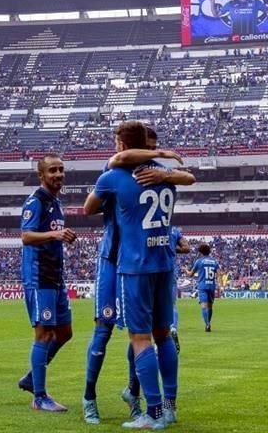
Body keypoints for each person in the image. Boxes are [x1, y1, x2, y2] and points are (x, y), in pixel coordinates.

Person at [82, 128, 194, 424]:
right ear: (145, 145)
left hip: (131, 265)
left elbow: (87, 208)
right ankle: (169, 408)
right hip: (162, 262)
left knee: (139, 338)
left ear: (120, 144)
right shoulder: (163, 174)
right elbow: (189, 177)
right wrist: (164, 164)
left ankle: (152, 411)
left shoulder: (113, 177)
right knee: (162, 335)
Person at [18, 154, 76, 412]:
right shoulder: (36, 201)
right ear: (42, 175)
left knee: (65, 333)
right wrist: (55, 234)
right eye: (53, 170)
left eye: (61, 170)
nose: (58, 174)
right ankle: (39, 397)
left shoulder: (56, 202)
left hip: (55, 275)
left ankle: (32, 376)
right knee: (43, 334)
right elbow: (26, 236)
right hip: (39, 275)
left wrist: (62, 236)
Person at [190, 244, 220, 332]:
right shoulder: (214, 261)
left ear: (200, 252)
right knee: (210, 306)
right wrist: (220, 285)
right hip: (211, 285)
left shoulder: (199, 261)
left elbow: (191, 274)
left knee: (204, 306)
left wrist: (185, 270)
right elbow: (219, 274)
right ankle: (208, 323)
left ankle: (207, 324)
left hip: (202, 286)